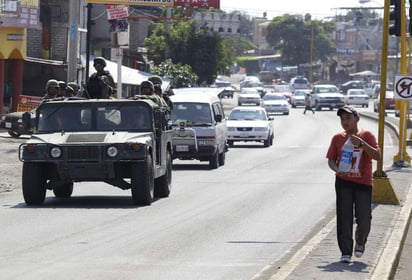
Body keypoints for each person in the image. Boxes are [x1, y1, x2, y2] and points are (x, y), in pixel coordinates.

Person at [326, 105, 381, 264]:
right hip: (343, 182)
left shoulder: (366, 135)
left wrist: (362, 144)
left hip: (363, 183)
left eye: (348, 118)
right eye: (342, 119)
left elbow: (377, 156)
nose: (345, 122)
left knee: (364, 217)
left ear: (357, 119)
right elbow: (331, 160)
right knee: (344, 217)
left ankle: (360, 241)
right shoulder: (337, 138)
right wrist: (337, 170)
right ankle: (345, 251)